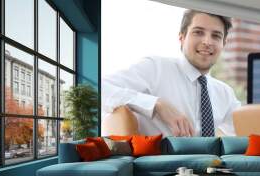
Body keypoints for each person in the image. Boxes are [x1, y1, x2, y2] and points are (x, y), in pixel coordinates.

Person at [102, 9, 241, 137]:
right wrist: (156, 105)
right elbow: (98, 89)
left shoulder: (225, 93)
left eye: (216, 36)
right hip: (159, 162)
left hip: (208, 163)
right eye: (198, 32)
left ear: (224, 43)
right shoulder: (155, 68)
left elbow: (245, 132)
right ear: (182, 38)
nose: (207, 42)